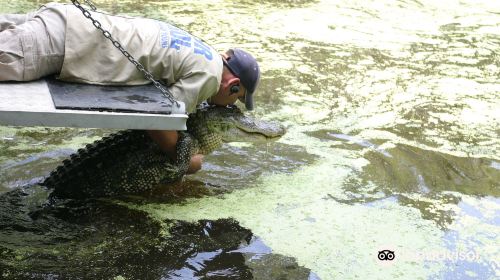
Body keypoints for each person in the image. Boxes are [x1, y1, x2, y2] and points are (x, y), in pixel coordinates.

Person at [0, 2, 260, 174]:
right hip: (59, 42)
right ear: (234, 86)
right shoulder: (210, 76)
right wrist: (187, 161)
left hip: (64, 20)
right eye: (236, 101)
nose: (229, 105)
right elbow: (159, 121)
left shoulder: (199, 49)